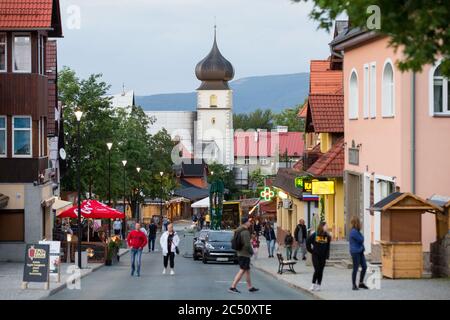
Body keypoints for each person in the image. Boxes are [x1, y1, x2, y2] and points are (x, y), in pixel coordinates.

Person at [229, 216, 259, 293]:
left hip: (240, 253)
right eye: (249, 221)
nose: (250, 223)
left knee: (247, 270)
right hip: (244, 254)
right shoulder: (245, 232)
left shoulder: (238, 230)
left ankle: (250, 287)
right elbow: (247, 245)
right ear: (246, 222)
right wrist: (252, 252)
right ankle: (233, 287)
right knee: (242, 270)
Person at [306, 221, 331, 291]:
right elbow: (308, 242)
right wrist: (311, 251)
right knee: (317, 269)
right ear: (322, 227)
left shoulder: (327, 236)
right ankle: (313, 284)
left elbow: (328, 247)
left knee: (321, 271)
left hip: (323, 256)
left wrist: (327, 255)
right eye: (326, 226)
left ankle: (319, 285)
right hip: (315, 255)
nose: (327, 227)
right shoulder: (315, 234)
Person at [349, 216, 369, 290]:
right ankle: (354, 285)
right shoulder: (354, 231)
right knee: (355, 268)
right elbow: (361, 239)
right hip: (355, 252)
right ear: (356, 223)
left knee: (364, 266)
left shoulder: (357, 231)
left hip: (360, 251)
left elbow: (361, 239)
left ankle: (360, 283)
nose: (361, 223)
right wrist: (362, 238)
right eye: (359, 222)